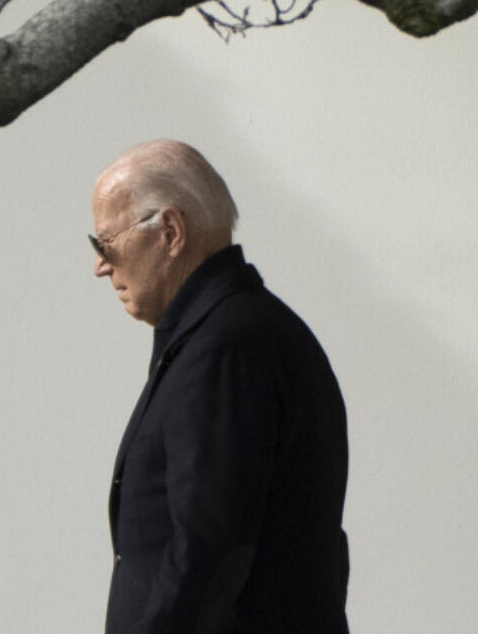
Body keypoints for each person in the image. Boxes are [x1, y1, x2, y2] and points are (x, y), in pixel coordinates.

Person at [91, 140, 349, 634]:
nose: (102, 265)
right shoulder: (237, 333)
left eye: (105, 242)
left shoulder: (225, 349)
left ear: (169, 231)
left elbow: (209, 552)